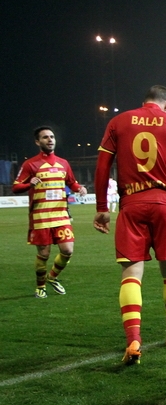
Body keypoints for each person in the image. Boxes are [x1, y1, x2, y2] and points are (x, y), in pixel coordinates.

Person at [93, 85, 166, 365]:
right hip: (165, 204)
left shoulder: (118, 121)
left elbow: (102, 166)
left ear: (145, 101)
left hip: (131, 204)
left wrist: (102, 208)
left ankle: (133, 340)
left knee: (131, 274)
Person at [12, 126, 87, 298]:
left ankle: (52, 277)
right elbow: (16, 187)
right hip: (40, 217)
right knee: (43, 254)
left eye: (52, 137)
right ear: (37, 142)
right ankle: (40, 286)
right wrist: (29, 184)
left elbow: (71, 182)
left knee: (68, 250)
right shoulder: (30, 164)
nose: (50, 140)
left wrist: (79, 188)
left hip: (61, 215)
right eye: (45, 137)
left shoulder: (63, 163)